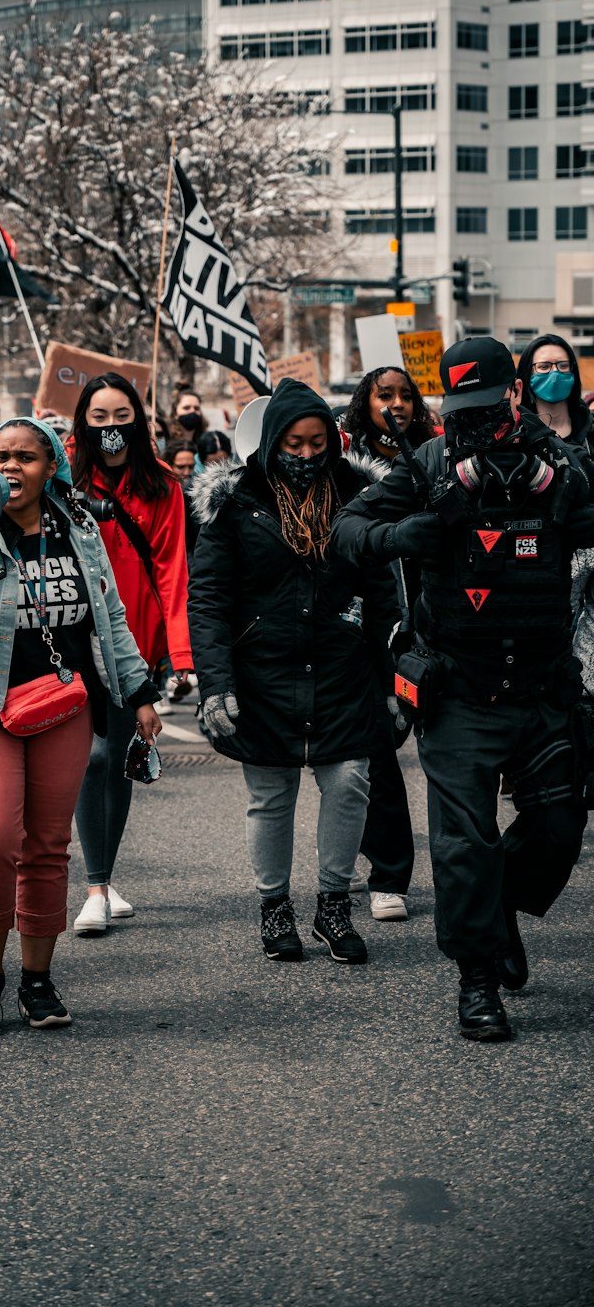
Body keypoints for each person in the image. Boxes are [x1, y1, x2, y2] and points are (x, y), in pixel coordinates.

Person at [335, 337, 594, 1041]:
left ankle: (502, 902)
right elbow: (347, 531)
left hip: (542, 687)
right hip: (458, 690)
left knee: (560, 830)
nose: (472, 420)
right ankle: (476, 979)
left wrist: (569, 504)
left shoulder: (564, 461)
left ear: (513, 392)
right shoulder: (425, 464)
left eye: (483, 406)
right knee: (462, 846)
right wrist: (410, 533)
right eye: (459, 409)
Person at [0, 416, 160, 1038]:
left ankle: (35, 979)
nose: (10, 467)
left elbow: (108, 614)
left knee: (47, 848)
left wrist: (138, 692)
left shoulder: (79, 528)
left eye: (26, 457)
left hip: (63, 706)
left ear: (50, 466)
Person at [188, 378, 396, 968]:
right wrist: (216, 683)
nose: (306, 455)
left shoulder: (361, 495)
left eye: (317, 442)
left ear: (332, 439)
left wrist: (392, 683)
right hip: (264, 675)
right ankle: (274, 907)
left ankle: (334, 905)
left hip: (342, 669)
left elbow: (385, 595)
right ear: (271, 442)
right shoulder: (236, 503)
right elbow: (207, 601)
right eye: (293, 444)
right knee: (271, 795)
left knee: (351, 782)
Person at [69, 372, 192, 932]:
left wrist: (181, 656)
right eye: (99, 418)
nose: (111, 429)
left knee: (116, 764)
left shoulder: (163, 485)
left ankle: (102, 876)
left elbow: (172, 574)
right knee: (91, 761)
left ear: (138, 421)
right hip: (69, 641)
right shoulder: (63, 474)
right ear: (83, 422)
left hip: (131, 650)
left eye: (122, 417)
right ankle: (94, 885)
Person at [337, 365, 438, 923]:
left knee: (424, 743)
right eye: (384, 395)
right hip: (368, 620)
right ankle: (384, 871)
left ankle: (427, 863)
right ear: (364, 404)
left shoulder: (434, 457)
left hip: (427, 620)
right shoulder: (346, 465)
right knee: (372, 750)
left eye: (405, 396)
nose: (395, 405)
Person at [516, 334, 594, 455]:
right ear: (527, 373)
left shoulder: (590, 427)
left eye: (563, 366)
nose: (555, 373)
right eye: (544, 366)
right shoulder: (517, 434)